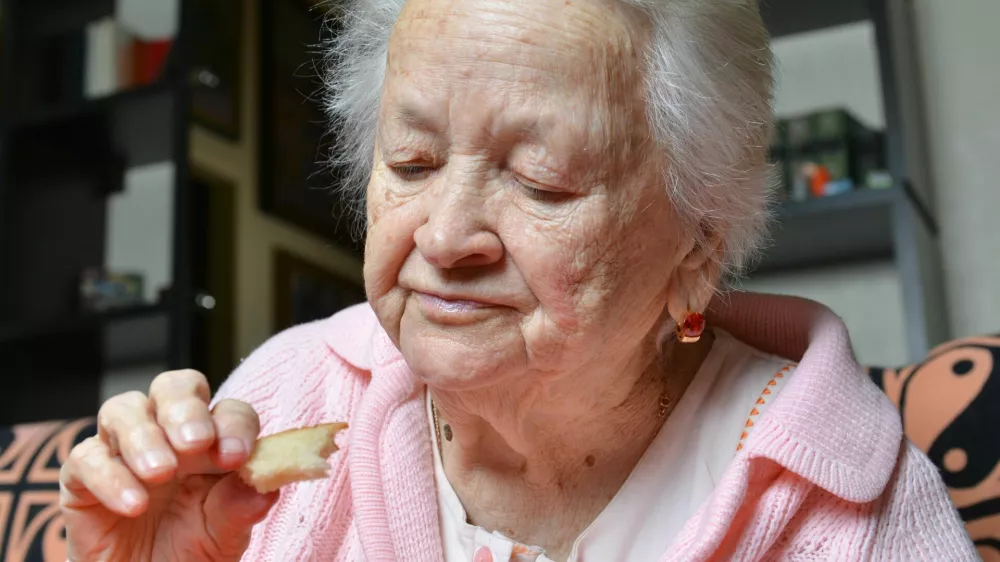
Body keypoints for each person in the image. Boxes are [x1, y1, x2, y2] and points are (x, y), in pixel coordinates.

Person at [59, 0, 977, 560]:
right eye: (412, 162)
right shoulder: (287, 393)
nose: (448, 234)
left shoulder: (845, 504)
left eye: (542, 182)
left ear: (699, 244)